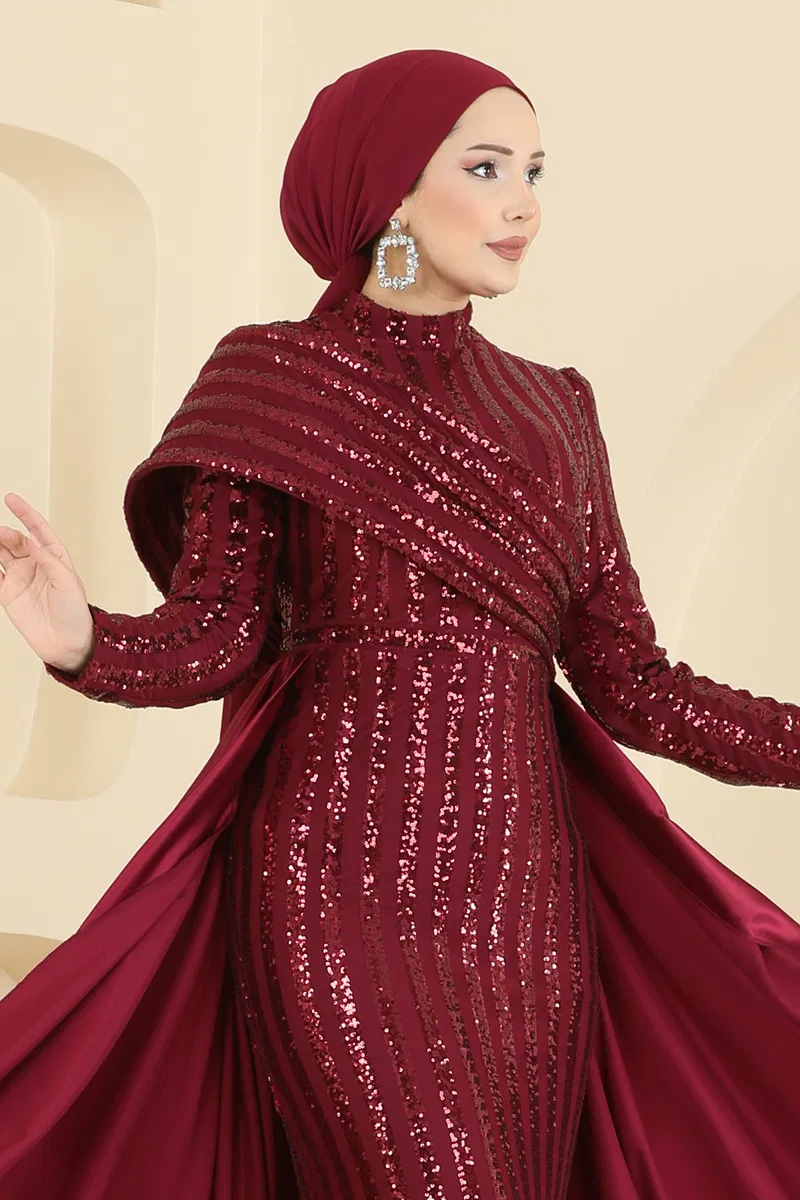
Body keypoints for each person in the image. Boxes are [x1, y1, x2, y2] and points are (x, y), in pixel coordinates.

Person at [0, 47, 799, 1200]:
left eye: (533, 170)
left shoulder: (556, 407)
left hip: (526, 905)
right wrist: (79, 637)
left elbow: (631, 683)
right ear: (386, 185)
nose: (523, 202)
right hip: (332, 882)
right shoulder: (274, 378)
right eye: (485, 167)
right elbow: (214, 638)